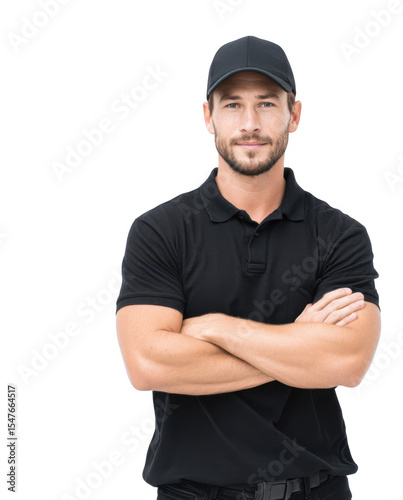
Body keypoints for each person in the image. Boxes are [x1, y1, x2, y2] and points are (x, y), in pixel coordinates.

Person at [116, 35, 381, 500]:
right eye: (233, 105)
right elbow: (147, 363)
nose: (250, 123)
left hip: (315, 490)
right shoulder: (160, 231)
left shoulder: (340, 234)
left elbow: (347, 360)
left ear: (293, 115)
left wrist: (215, 328)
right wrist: (297, 348)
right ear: (208, 117)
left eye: (266, 104)